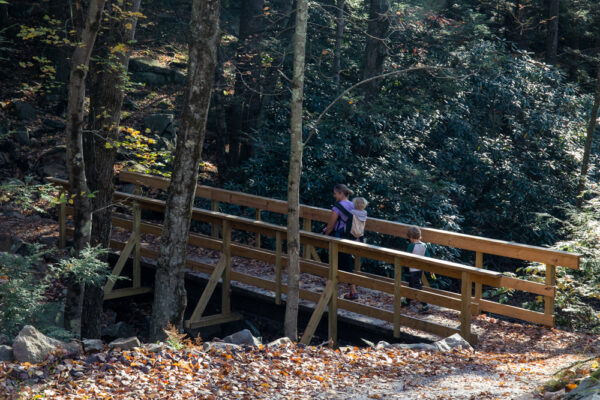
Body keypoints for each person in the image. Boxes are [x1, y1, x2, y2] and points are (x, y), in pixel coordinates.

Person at [322, 184, 359, 300]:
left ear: (341, 194)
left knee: (344, 262)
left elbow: (331, 225)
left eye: (335, 193)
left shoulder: (337, 207)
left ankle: (353, 291)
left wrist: (325, 234)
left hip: (340, 237)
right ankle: (332, 280)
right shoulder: (353, 205)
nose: (334, 196)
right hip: (351, 237)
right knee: (343, 260)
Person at [403, 226, 430, 313]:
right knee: (411, 285)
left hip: (412, 270)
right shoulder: (424, 245)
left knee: (417, 287)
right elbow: (428, 257)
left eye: (409, 238)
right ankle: (407, 301)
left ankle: (425, 305)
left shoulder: (411, 246)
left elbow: (407, 257)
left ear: (411, 237)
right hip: (420, 269)